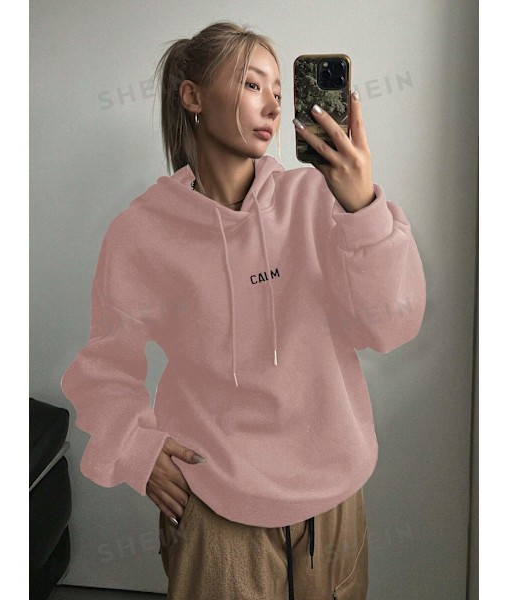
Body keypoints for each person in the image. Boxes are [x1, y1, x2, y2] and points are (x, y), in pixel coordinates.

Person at [60, 20, 426, 600]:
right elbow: (104, 367)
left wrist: (362, 209)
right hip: (215, 510)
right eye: (253, 85)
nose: (274, 106)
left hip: (333, 504)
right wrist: (135, 450)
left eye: (279, 91)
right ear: (192, 96)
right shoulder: (142, 232)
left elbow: (392, 326)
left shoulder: (319, 199)